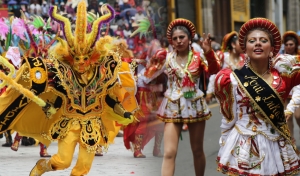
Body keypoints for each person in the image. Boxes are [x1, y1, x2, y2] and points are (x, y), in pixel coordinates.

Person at [0, 2, 137, 176]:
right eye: (76, 58)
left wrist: (124, 112)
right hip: (70, 123)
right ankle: (44, 166)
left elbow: (109, 99)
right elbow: (59, 98)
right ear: (71, 57)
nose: (80, 62)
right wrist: (50, 109)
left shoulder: (101, 76)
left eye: (85, 57)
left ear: (92, 57)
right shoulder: (64, 75)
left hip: (92, 126)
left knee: (82, 168)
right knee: (63, 161)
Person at [215, 18, 300, 175]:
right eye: (252, 41)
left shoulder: (283, 75)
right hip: (245, 143)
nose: (258, 43)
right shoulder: (233, 79)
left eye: (263, 40)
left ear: (272, 48)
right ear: (245, 48)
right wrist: (225, 142)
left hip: (276, 142)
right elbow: (229, 118)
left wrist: (292, 106)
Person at [146, 18, 220, 176]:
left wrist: (209, 51)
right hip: (173, 105)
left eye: (182, 37)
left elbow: (215, 70)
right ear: (171, 41)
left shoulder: (199, 57)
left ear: (189, 38)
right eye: (175, 39)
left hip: (194, 105)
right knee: (169, 152)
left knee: (197, 150)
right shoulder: (166, 58)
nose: (178, 41)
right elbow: (148, 75)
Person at [206, 31, 244, 104]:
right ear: (233, 44)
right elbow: (214, 74)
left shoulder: (244, 58)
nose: (243, 45)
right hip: (226, 95)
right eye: (240, 43)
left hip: (242, 95)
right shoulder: (222, 57)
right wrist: (209, 92)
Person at [282, 31, 300, 144]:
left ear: (296, 45)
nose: (288, 47)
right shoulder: (280, 58)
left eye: (291, 45)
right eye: (287, 44)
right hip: (285, 90)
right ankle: (291, 141)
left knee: (298, 116)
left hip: (298, 90)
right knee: (287, 117)